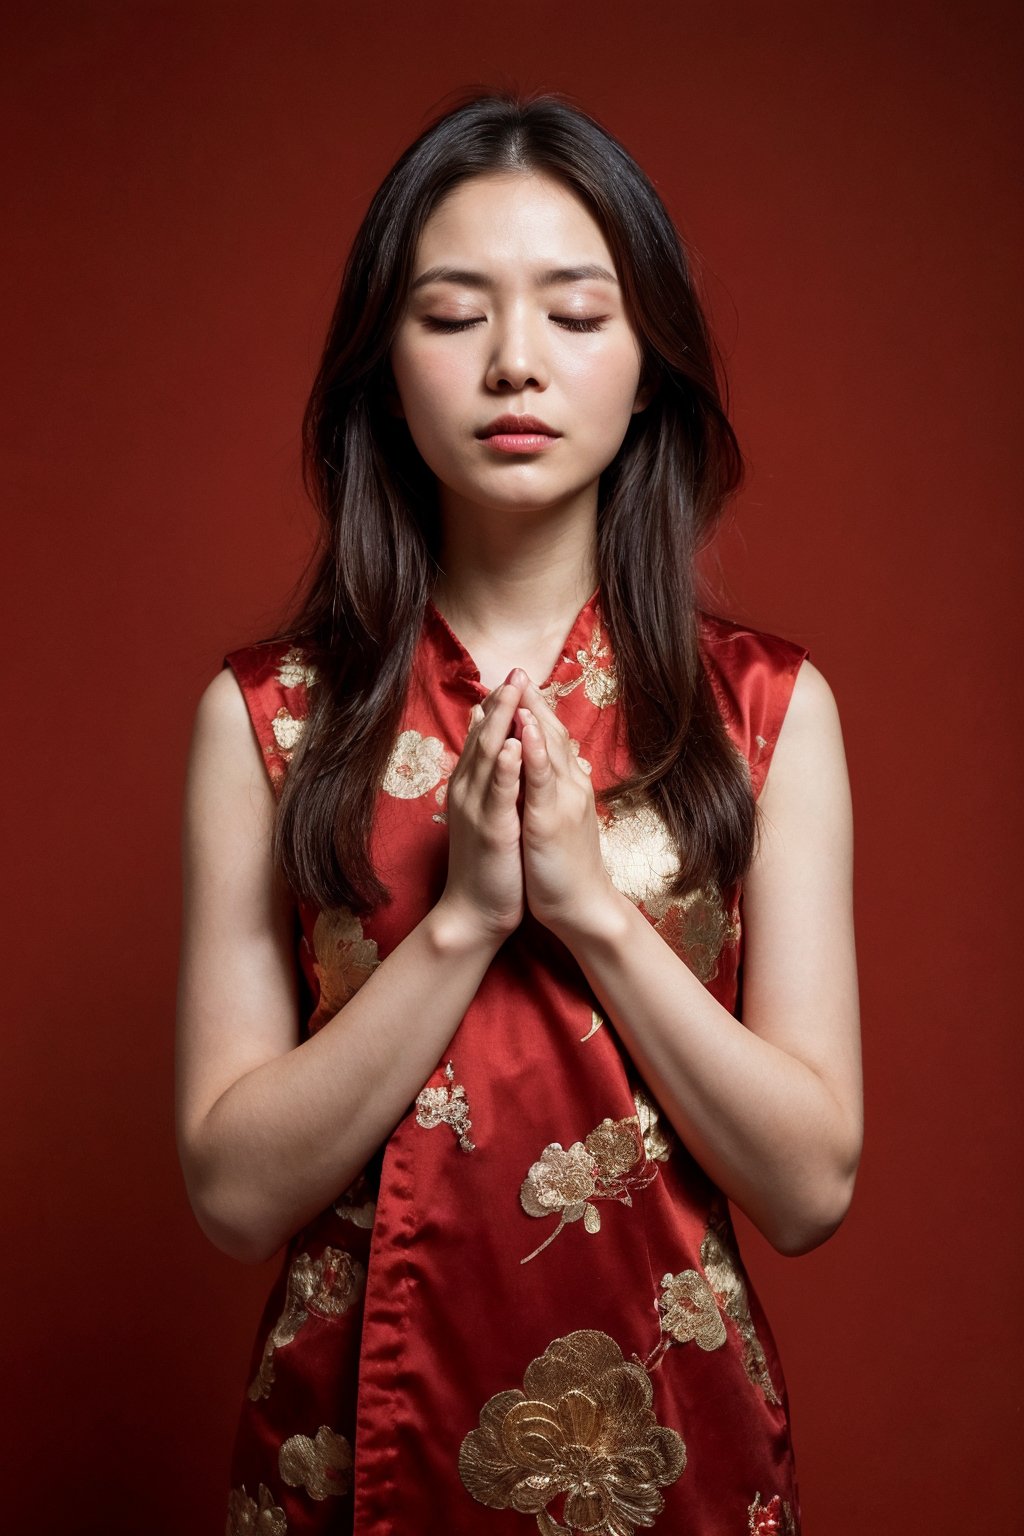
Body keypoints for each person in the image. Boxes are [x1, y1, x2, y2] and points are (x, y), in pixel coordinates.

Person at [176, 91, 861, 1536]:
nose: (513, 365)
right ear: (383, 368)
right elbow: (233, 1194)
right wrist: (466, 922)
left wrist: (597, 919)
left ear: (650, 367)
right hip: (342, 1459)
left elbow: (810, 1185)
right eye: (452, 314)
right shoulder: (271, 717)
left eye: (574, 312)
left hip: (669, 1452)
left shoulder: (768, 715)